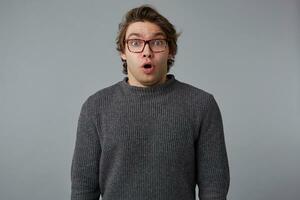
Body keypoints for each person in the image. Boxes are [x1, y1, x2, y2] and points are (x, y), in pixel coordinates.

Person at [71, 4, 230, 200]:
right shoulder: (95, 107)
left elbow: (214, 189)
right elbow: (83, 191)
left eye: (157, 42)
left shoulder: (202, 105)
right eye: (136, 43)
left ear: (170, 50)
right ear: (123, 51)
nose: (146, 51)